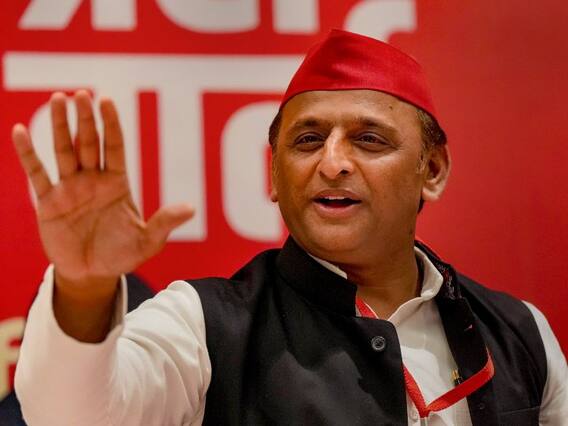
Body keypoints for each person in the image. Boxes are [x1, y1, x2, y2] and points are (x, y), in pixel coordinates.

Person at [12, 29, 568, 425]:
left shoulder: (520, 333)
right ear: (274, 175)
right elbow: (69, 414)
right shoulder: (203, 325)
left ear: (434, 169)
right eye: (307, 140)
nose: (332, 163)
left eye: (369, 139)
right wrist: (82, 283)